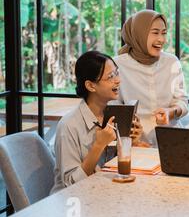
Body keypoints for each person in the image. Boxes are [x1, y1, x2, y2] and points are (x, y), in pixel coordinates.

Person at [51, 51, 143, 193]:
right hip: (71, 204)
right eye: (110, 77)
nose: (118, 80)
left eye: (117, 73)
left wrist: (133, 142)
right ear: (91, 86)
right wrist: (99, 145)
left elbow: (115, 169)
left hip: (104, 193)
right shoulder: (68, 126)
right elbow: (70, 185)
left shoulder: (115, 114)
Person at [114, 10, 188, 146]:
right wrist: (133, 142)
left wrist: (170, 112)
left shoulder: (171, 62)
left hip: (172, 142)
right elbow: (114, 112)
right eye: (155, 32)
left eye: (164, 33)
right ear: (139, 34)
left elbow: (182, 101)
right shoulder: (117, 65)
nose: (161, 39)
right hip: (136, 144)